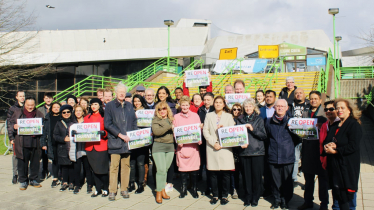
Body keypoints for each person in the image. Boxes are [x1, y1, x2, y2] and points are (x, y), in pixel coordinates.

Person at [323, 99, 362, 210]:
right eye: (337, 108)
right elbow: (328, 139)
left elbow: (353, 146)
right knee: (338, 195)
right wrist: (328, 145)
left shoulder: (353, 125)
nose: (339, 110)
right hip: (335, 166)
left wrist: (336, 151)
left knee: (346, 198)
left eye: (342, 108)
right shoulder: (335, 124)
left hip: (347, 167)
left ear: (349, 110)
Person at [104, 82, 137, 201]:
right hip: (115, 140)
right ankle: (112, 190)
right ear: (116, 93)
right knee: (114, 167)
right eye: (120, 92)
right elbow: (107, 124)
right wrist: (120, 135)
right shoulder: (110, 106)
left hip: (127, 142)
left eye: (124, 92)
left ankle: (124, 188)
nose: (122, 94)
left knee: (126, 166)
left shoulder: (129, 105)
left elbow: (134, 122)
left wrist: (131, 135)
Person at [265, 99, 300, 209]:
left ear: (286, 108)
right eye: (278, 106)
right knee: (275, 181)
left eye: (282, 106)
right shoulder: (268, 121)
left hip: (287, 156)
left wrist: (288, 145)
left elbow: (298, 139)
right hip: (273, 156)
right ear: (274, 108)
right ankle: (276, 199)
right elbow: (266, 137)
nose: (280, 108)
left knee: (287, 181)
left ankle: (285, 200)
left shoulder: (292, 122)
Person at [298, 91, 329, 210]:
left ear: (320, 100)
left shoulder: (325, 113)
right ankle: (308, 201)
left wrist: (322, 127)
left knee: (322, 180)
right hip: (307, 150)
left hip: (320, 151)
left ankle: (324, 204)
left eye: (315, 99)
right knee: (308, 180)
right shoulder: (305, 112)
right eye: (311, 99)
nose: (313, 101)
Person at [203, 96, 235, 205]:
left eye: (220, 102)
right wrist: (214, 142)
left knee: (225, 173)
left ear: (224, 104)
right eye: (216, 102)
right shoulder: (209, 115)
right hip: (212, 147)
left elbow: (232, 132)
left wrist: (223, 131)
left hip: (225, 148)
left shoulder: (229, 116)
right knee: (213, 173)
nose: (218, 104)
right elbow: (205, 131)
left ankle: (224, 196)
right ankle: (215, 195)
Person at [237, 98, 267, 207]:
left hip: (257, 152)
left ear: (254, 107)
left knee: (256, 177)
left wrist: (252, 129)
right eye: (246, 106)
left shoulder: (259, 119)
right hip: (244, 152)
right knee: (246, 177)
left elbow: (263, 135)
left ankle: (255, 197)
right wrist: (239, 143)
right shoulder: (239, 119)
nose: (248, 108)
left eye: (250, 106)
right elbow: (236, 135)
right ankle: (248, 196)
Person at [8, 97, 44, 190]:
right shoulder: (17, 113)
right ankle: (23, 181)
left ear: (34, 105)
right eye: (28, 105)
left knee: (35, 162)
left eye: (32, 105)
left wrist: (42, 127)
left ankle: (34, 179)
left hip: (35, 142)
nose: (30, 107)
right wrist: (14, 128)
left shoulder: (39, 114)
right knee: (22, 163)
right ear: (25, 104)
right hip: (22, 142)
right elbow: (10, 124)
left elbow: (45, 127)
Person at [172, 96, 202, 199]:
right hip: (182, 148)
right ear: (180, 105)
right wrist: (178, 140)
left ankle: (194, 189)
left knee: (194, 171)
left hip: (193, 147)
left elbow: (199, 130)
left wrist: (199, 138)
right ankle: (183, 189)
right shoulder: (176, 117)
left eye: (186, 105)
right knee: (183, 171)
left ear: (189, 105)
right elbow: (174, 132)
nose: (184, 107)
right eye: (183, 105)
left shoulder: (195, 116)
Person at [83, 99, 109, 197]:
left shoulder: (104, 117)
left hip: (101, 146)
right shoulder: (86, 118)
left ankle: (105, 188)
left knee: (102, 169)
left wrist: (104, 133)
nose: (93, 106)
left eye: (95, 104)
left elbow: (108, 130)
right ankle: (98, 189)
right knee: (94, 169)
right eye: (92, 104)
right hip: (90, 147)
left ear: (99, 105)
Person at [152, 101, 174, 204]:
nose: (162, 111)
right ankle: (158, 192)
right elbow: (157, 132)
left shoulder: (172, 119)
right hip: (159, 146)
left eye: (164, 108)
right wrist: (170, 126)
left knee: (165, 169)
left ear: (167, 109)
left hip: (170, 147)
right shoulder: (155, 120)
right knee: (160, 169)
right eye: (159, 109)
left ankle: (163, 190)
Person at [128, 94, 149, 194]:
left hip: (142, 140)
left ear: (142, 102)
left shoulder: (146, 111)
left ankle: (141, 184)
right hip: (132, 140)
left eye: (138, 101)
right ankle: (131, 183)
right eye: (135, 101)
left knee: (140, 163)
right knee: (132, 163)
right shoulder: (130, 111)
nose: (137, 103)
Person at [71, 105, 94, 194]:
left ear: (83, 112)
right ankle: (77, 185)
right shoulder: (72, 123)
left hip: (86, 148)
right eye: (76, 111)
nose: (78, 112)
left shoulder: (87, 122)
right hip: (76, 149)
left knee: (87, 168)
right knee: (77, 168)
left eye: (80, 110)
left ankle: (89, 185)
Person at [289, 88, 309, 187]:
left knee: (306, 160)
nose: (298, 95)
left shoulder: (309, 105)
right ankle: (294, 179)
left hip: (306, 136)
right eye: (296, 93)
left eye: (300, 93)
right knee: (295, 159)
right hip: (294, 136)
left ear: (304, 94)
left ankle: (307, 182)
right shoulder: (290, 105)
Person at [259, 90, 277, 198]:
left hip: (275, 142)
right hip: (264, 142)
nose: (268, 98)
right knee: (266, 167)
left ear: (275, 97)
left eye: (271, 96)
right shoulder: (260, 110)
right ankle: (267, 189)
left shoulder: (279, 109)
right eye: (267, 96)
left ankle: (276, 189)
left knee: (274, 168)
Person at [53, 104, 75, 192]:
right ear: (61, 113)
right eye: (64, 112)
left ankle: (71, 182)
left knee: (72, 166)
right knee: (64, 166)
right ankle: (64, 182)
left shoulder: (74, 122)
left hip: (72, 147)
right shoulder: (59, 123)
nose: (66, 114)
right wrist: (63, 139)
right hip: (62, 147)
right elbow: (55, 135)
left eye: (68, 112)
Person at [197, 92, 215, 195]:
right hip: (203, 142)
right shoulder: (201, 110)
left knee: (213, 166)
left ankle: (215, 187)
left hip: (213, 141)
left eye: (209, 100)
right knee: (207, 166)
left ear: (212, 100)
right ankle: (208, 187)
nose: (206, 102)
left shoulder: (215, 110)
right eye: (205, 100)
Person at [40, 102, 62, 188]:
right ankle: (55, 178)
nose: (56, 108)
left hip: (62, 142)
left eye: (58, 107)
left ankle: (63, 177)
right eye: (54, 107)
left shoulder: (63, 116)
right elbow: (44, 132)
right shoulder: (47, 118)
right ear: (51, 108)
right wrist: (43, 143)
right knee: (55, 160)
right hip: (52, 142)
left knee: (63, 160)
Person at [7, 90, 25, 184]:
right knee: (15, 156)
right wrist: (11, 137)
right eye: (20, 96)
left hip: (26, 136)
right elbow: (9, 123)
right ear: (16, 97)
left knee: (25, 155)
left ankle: (23, 174)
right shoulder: (12, 109)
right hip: (16, 136)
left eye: (23, 96)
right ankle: (15, 174)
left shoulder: (28, 107)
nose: (22, 97)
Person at [38, 92, 54, 180]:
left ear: (52, 99)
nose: (48, 100)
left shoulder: (55, 108)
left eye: (50, 98)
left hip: (52, 134)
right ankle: (44, 170)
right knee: (43, 154)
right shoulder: (39, 110)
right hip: (43, 133)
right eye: (46, 98)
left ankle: (55, 171)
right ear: (44, 99)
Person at [229, 102, 243, 199]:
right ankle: (234, 188)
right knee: (234, 171)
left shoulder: (244, 120)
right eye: (234, 109)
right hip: (232, 149)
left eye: (238, 109)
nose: (236, 111)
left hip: (243, 149)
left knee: (244, 170)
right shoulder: (229, 120)